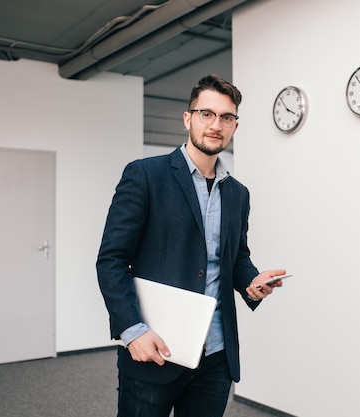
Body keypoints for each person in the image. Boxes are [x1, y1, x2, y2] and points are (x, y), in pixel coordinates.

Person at [96, 74, 286, 417]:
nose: (216, 125)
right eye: (206, 114)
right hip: (154, 348)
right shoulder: (145, 176)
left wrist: (252, 282)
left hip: (215, 355)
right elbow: (111, 260)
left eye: (226, 117)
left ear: (235, 127)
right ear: (188, 118)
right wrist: (132, 330)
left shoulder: (238, 193)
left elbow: (235, 257)